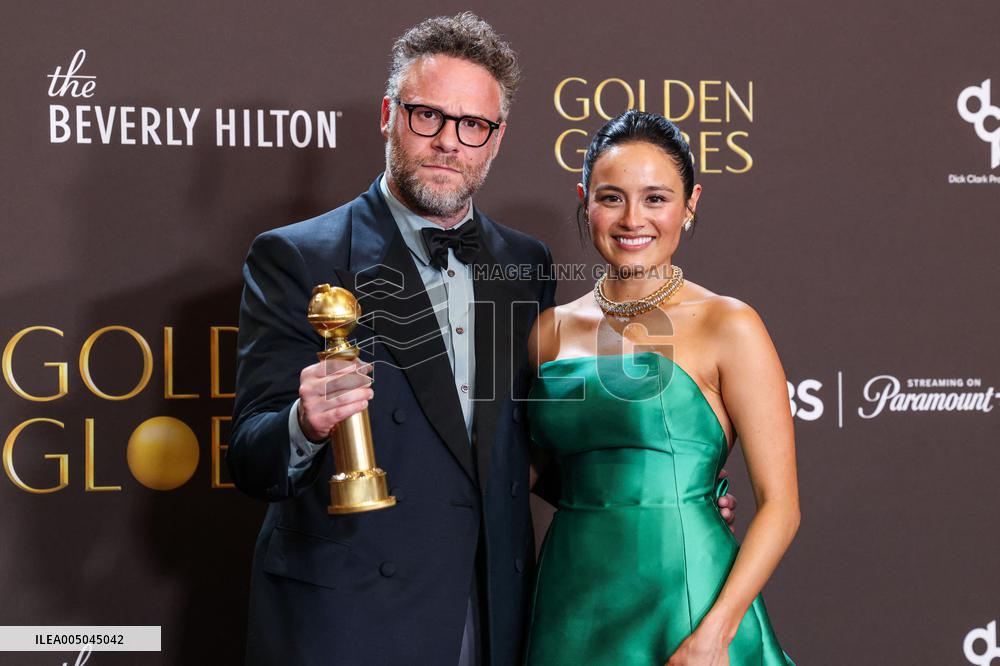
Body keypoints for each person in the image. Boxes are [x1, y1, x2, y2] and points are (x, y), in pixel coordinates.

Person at [229, 13, 737, 666]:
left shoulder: (524, 263)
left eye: (473, 125)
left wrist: (663, 495)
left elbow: (526, 448)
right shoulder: (298, 256)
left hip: (490, 611)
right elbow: (251, 459)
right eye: (427, 117)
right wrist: (305, 422)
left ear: (496, 139)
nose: (449, 142)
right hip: (351, 620)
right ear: (388, 116)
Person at [524, 110, 799, 665]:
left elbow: (781, 506)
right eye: (611, 198)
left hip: (687, 601)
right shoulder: (549, 330)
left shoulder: (728, 324)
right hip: (571, 598)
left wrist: (715, 635)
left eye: (655, 198)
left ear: (690, 203)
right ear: (584, 201)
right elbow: (528, 474)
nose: (633, 220)